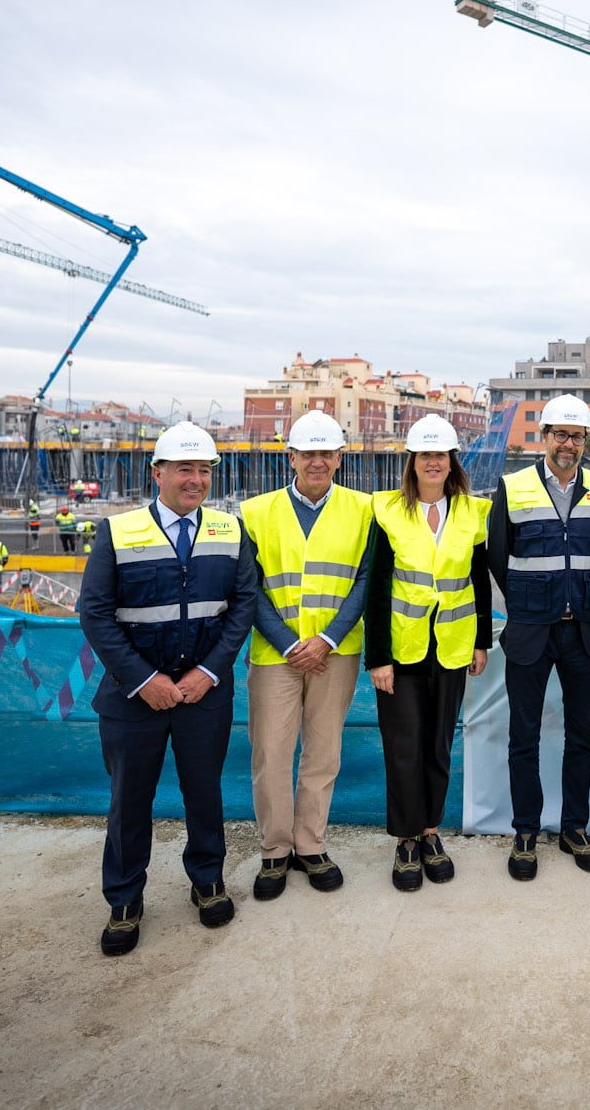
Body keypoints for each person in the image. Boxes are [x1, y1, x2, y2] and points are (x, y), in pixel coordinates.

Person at [77, 421, 259, 958]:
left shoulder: (230, 532)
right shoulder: (118, 532)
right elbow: (95, 613)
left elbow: (243, 605)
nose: (195, 479)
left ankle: (207, 881)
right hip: (134, 698)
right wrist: (143, 680)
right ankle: (125, 901)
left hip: (204, 694)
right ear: (158, 473)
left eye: (204, 470)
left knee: (204, 794)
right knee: (129, 801)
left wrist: (209, 673)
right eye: (185, 469)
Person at [240, 410, 375, 900]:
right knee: (271, 754)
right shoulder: (255, 513)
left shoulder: (364, 510)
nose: (317, 461)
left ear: (340, 458)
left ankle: (310, 844)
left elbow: (366, 580)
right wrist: (290, 643)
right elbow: (249, 588)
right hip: (277, 654)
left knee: (323, 752)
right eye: (308, 453)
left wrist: (328, 640)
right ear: (290, 457)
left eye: (326, 453)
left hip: (334, 654)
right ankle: (275, 851)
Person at [487, 393, 590, 881]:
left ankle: (574, 827)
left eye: (577, 436)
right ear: (544, 438)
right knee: (525, 737)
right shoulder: (512, 486)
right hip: (530, 632)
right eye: (560, 434)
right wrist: (528, 603)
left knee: (582, 737)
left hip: (582, 632)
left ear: (585, 441)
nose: (568, 444)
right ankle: (525, 831)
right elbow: (497, 556)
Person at [366, 414, 492, 892]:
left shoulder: (471, 512)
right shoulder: (387, 511)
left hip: (453, 648)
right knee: (403, 748)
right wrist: (378, 657)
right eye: (425, 455)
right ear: (412, 462)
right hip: (402, 650)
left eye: (441, 455)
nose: (433, 462)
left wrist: (482, 640)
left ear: (451, 461)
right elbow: (376, 589)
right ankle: (405, 840)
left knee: (438, 746)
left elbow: (478, 580)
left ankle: (432, 832)